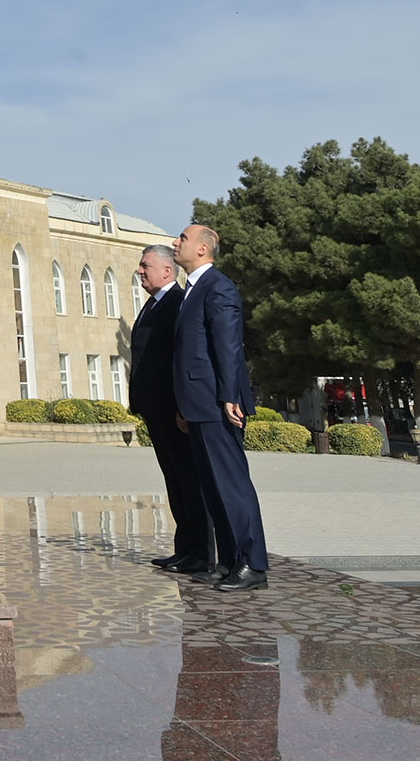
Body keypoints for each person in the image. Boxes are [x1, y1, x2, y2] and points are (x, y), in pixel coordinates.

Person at [171, 223, 270, 592]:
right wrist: (183, 404)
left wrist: (229, 395)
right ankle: (228, 561)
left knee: (231, 484)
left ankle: (253, 564)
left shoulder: (218, 286)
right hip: (197, 403)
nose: (175, 242)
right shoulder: (192, 290)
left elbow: (227, 345)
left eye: (183, 238)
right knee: (212, 487)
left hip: (217, 403)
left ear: (202, 248)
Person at [128, 244, 215, 573]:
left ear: (167, 271)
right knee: (175, 481)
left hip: (174, 410)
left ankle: (200, 553)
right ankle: (185, 549)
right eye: (140, 265)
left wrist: (182, 407)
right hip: (155, 408)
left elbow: (181, 358)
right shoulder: (153, 304)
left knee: (188, 480)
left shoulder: (178, 303)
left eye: (145, 265)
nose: (140, 271)